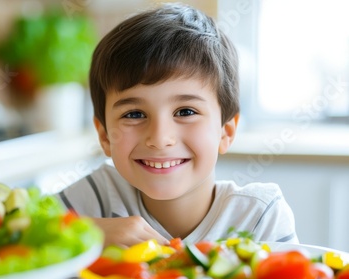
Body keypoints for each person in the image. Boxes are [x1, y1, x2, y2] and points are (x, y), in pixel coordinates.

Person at [56, 3, 298, 248]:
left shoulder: (259, 217)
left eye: (185, 111)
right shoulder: (96, 197)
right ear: (105, 136)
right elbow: (19, 230)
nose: (160, 138)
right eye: (134, 114)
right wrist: (84, 232)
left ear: (226, 132)